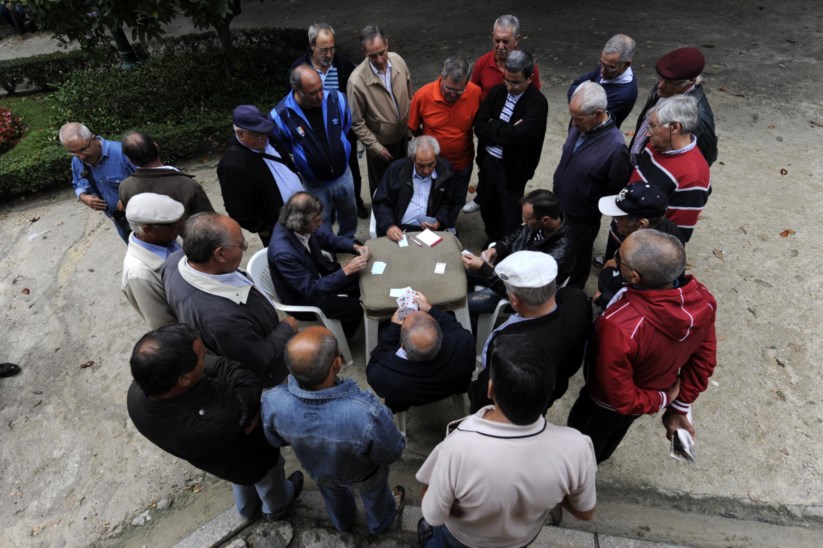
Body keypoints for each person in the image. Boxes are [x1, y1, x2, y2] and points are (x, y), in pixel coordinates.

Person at [416, 333, 596, 548]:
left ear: (490, 389)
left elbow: (434, 515)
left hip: (462, 540)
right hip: (521, 540)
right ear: (551, 390)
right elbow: (585, 512)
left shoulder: (458, 447)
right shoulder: (577, 447)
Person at [127, 324, 304, 522]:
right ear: (184, 379)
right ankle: (277, 509)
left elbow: (220, 369)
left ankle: (247, 511)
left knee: (241, 482)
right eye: (203, 357)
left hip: (223, 463)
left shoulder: (139, 393)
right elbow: (247, 381)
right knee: (270, 483)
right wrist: (252, 411)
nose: (208, 359)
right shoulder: (215, 420)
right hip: (253, 457)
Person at [567, 230, 717, 464]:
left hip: (605, 403)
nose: (615, 258)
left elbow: (621, 397)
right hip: (648, 394)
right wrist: (679, 404)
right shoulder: (703, 300)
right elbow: (704, 360)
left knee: (582, 441)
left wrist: (662, 400)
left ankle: (578, 475)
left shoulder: (619, 327)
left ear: (634, 277)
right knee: (615, 431)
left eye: (620, 258)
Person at [261, 327, 406, 535]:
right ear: (336, 364)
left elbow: (275, 439)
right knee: (375, 497)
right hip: (365, 473)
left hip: (319, 469)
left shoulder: (273, 400)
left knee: (332, 497)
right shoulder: (365, 412)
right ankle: (379, 525)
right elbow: (392, 451)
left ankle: (342, 524)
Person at [162, 212, 297, 388]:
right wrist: (286, 328)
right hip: (274, 372)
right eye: (242, 245)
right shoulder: (221, 319)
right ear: (220, 254)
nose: (244, 248)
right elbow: (259, 359)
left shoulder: (174, 261)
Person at [468, 251, 592, 414]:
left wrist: (474, 391)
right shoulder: (577, 298)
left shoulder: (509, 347)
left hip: (513, 407)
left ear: (513, 299)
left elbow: (485, 397)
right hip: (549, 392)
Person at [553, 81, 632, 289]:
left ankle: (573, 296)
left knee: (577, 259)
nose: (573, 123)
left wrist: (587, 200)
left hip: (582, 218)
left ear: (598, 114)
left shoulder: (615, 149)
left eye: (578, 119)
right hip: (562, 207)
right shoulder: (580, 126)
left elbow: (614, 190)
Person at [463, 14, 542, 215]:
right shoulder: (482, 64)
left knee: (509, 194)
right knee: (486, 171)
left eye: (505, 41)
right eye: (496, 40)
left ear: (517, 40)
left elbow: (530, 109)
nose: (500, 46)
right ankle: (482, 196)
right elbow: (474, 98)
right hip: (488, 138)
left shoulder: (528, 68)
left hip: (512, 149)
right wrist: (492, 126)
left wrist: (496, 127)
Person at [290, 22, 368, 220]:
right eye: (324, 49)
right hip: (313, 132)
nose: (329, 54)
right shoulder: (300, 69)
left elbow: (353, 94)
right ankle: (329, 209)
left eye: (332, 48)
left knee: (350, 169)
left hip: (340, 129)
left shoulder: (343, 65)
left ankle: (354, 202)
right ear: (312, 46)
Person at [271, 65, 357, 239]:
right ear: (297, 90)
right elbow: (283, 147)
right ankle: (327, 250)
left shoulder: (337, 99)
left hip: (343, 175)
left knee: (349, 212)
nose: (320, 96)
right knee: (319, 221)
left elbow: (346, 126)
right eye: (312, 93)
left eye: (321, 89)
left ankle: (348, 239)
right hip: (314, 184)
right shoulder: (280, 115)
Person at [268, 192, 369, 339]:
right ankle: (339, 342)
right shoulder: (284, 254)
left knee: (361, 278)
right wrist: (346, 270)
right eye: (316, 221)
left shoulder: (299, 225)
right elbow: (311, 289)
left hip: (319, 276)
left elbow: (326, 239)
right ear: (301, 224)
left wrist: (354, 247)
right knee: (354, 310)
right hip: (304, 299)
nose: (321, 223)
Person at [474, 50, 548, 244]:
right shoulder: (498, 91)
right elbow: (480, 126)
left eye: (515, 82)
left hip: (512, 169)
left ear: (530, 78)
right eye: (506, 80)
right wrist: (504, 130)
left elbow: (517, 137)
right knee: (488, 206)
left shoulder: (537, 103)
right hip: (488, 161)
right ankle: (492, 239)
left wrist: (494, 125)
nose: (509, 86)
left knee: (509, 212)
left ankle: (506, 247)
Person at [462, 189, 575, 315]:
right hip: (502, 271)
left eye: (527, 220)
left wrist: (484, 269)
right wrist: (496, 248)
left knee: (460, 305)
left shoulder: (557, 256)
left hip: (514, 292)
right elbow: (517, 235)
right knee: (459, 264)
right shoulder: (540, 224)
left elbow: (521, 290)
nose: (523, 222)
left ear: (545, 220)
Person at [366, 291, 475, 413]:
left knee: (382, 331)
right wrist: (430, 309)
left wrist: (393, 328)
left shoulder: (382, 374)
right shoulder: (465, 342)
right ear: (441, 335)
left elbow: (374, 363)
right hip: (450, 386)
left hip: (409, 398)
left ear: (401, 344)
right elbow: (454, 326)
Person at [217, 105, 304, 246]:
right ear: (240, 134)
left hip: (303, 213)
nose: (264, 138)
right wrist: (264, 229)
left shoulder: (268, 138)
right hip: (280, 227)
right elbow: (238, 210)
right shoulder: (232, 165)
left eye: (265, 132)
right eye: (257, 135)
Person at [408, 57, 482, 224]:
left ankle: (449, 226)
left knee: (457, 199)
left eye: (458, 91)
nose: (452, 94)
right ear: (441, 77)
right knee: (433, 199)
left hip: (462, 163)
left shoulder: (476, 93)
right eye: (448, 88)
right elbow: (413, 126)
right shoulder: (422, 96)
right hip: (433, 165)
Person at [629, 95, 711, 242]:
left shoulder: (694, 177)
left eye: (653, 126)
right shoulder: (656, 145)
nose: (647, 133)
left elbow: (674, 236)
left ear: (674, 127)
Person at [594, 183, 685, 309]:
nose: (614, 219)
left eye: (618, 217)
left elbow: (651, 291)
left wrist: (607, 296)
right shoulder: (624, 228)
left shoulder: (666, 251)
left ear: (642, 224)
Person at [347, 25, 412, 201]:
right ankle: (382, 224)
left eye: (382, 52)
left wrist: (410, 126)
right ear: (363, 52)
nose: (380, 59)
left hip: (402, 137)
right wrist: (376, 148)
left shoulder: (398, 60)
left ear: (387, 44)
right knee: (382, 189)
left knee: (403, 179)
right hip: (381, 145)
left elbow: (408, 92)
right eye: (373, 56)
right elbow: (356, 122)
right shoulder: (356, 81)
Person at [628, 47, 718, 167]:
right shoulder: (665, 88)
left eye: (669, 82)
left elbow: (704, 160)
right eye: (660, 78)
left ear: (691, 81)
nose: (660, 86)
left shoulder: (698, 119)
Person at [117, 132, 214, 232]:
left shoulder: (125, 187)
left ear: (129, 160)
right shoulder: (187, 185)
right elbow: (211, 223)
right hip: (192, 242)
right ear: (156, 146)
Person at [59, 122, 135, 243]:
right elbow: (77, 183)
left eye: (83, 149)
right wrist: (83, 196)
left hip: (144, 218)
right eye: (73, 152)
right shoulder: (77, 160)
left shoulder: (123, 153)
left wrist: (130, 196)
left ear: (94, 139)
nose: (80, 157)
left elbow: (151, 179)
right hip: (121, 221)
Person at [372, 136, 457, 239]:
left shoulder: (445, 171)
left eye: (431, 164)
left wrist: (439, 221)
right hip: (400, 229)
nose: (426, 171)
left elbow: (448, 203)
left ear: (436, 157)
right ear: (412, 158)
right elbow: (382, 202)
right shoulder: (396, 169)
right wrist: (390, 226)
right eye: (420, 166)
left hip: (430, 231)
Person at [122, 193, 184, 329]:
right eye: (171, 224)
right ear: (147, 229)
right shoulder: (139, 275)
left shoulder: (167, 239)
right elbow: (165, 326)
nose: (179, 225)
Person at [567, 34, 638, 129]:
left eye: (609, 68)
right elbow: (575, 85)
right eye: (601, 63)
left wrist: (578, 98)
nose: (602, 71)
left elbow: (592, 122)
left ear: (627, 64)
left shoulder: (624, 95)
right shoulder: (607, 66)